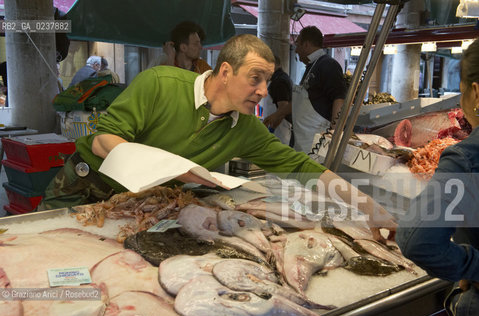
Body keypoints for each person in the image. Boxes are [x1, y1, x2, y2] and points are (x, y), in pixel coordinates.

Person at [39, 34, 396, 242]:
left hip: (141, 209)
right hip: (85, 185)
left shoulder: (245, 128)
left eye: (267, 82)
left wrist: (371, 209)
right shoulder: (160, 83)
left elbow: (304, 168)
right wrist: (173, 167)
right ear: (225, 71)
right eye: (255, 79)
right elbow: (104, 140)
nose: (262, 91)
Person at [396, 39, 479, 316]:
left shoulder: (467, 156)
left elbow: (418, 240)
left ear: (476, 94)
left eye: (462, 92)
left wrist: (472, 266)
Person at [293, 26, 347, 153]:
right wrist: (278, 114)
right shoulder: (312, 66)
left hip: (317, 141)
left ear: (306, 45)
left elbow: (339, 98)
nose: (296, 50)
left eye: (298, 45)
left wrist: (334, 133)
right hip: (304, 140)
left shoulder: (328, 64)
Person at [262, 55, 293, 146]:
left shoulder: (280, 82)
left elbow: (282, 109)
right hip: (278, 128)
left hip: (280, 130)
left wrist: (271, 129)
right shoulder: (279, 78)